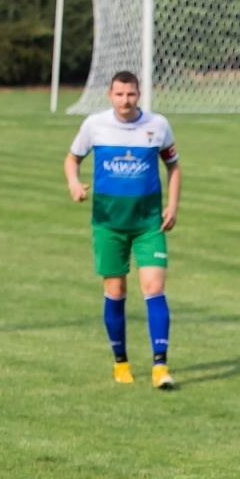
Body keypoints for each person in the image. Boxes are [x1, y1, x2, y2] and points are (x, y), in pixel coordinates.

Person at [65, 71, 180, 390]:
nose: (125, 101)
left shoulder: (157, 125)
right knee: (116, 292)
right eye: (119, 95)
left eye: (130, 94)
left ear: (139, 94)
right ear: (109, 95)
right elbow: (72, 159)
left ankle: (160, 366)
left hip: (148, 225)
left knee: (154, 288)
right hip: (108, 225)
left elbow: (173, 165)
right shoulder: (95, 126)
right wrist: (74, 183)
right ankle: (121, 363)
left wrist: (173, 205)